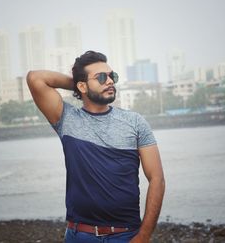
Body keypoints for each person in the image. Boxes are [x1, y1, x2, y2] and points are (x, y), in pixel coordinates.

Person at [26, 50, 165, 243]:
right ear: (82, 85)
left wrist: (144, 236)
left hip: (126, 235)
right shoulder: (66, 119)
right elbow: (35, 78)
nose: (110, 81)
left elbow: (157, 178)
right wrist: (77, 84)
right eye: (101, 77)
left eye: (111, 76)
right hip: (80, 236)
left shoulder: (135, 122)